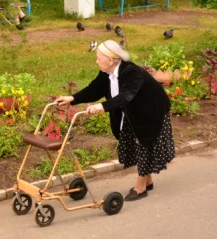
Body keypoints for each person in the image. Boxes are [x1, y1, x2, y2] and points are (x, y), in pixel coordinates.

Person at [55, 40, 175, 201]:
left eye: (98, 58)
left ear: (110, 60)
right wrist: (72, 98)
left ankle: (140, 187)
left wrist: (102, 107)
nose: (96, 61)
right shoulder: (107, 72)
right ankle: (148, 181)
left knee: (144, 143)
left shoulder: (131, 72)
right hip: (133, 111)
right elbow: (94, 89)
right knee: (135, 142)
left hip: (151, 111)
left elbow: (127, 95)